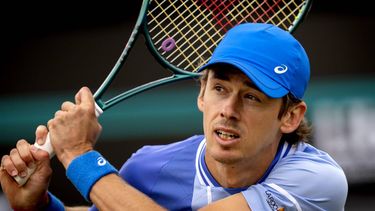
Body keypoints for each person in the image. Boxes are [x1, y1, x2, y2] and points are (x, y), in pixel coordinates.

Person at [0, 23, 348, 210]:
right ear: (201, 93)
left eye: (252, 97)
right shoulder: (149, 168)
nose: (228, 110)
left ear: (289, 117)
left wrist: (78, 155)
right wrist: (39, 206)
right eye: (220, 89)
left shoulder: (317, 181)